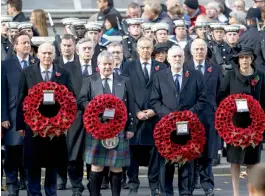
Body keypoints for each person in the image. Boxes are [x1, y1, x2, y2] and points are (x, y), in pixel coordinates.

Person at [16, 42, 75, 196]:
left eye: (50, 53)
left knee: (53, 163)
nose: (47, 56)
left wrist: (65, 121)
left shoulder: (64, 73)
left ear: (54, 55)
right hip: (33, 126)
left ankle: (51, 191)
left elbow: (71, 98)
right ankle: (34, 192)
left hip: (55, 127)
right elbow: (21, 99)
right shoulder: (27, 72)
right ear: (38, 55)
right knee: (33, 162)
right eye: (44, 53)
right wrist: (20, 125)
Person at [150, 45, 206, 196]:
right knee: (166, 162)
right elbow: (154, 101)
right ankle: (166, 192)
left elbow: (202, 100)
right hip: (166, 126)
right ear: (168, 59)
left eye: (180, 56)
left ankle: (185, 192)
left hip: (188, 126)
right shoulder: (159, 76)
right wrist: (170, 117)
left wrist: (187, 116)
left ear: (184, 58)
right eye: (174, 56)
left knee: (186, 160)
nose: (177, 59)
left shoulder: (195, 75)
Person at [78, 50, 136, 196]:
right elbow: (81, 101)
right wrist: (94, 107)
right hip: (97, 129)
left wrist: (131, 127)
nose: (107, 67)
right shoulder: (90, 80)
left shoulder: (125, 81)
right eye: (104, 64)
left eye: (110, 64)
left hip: (119, 129)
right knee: (96, 166)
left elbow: (131, 106)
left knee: (116, 166)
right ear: (98, 65)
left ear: (114, 64)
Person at [122, 37, 168, 196]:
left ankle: (154, 185)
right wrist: (136, 112)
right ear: (137, 49)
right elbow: (126, 91)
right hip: (135, 116)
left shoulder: (161, 67)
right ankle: (133, 183)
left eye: (148, 47)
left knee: (155, 152)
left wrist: (154, 110)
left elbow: (165, 92)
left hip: (154, 117)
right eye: (142, 47)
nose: (145, 50)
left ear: (152, 48)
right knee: (132, 151)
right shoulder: (128, 66)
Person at [217, 47, 265, 196]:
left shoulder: (260, 76)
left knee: (252, 163)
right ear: (238, 60)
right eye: (242, 57)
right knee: (235, 161)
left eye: (247, 57)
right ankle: (236, 193)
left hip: (255, 126)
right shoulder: (231, 75)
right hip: (234, 126)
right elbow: (220, 95)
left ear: (252, 59)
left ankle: (252, 193)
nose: (244, 60)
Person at [2, 31, 38, 196]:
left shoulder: (36, 63)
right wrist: (3, 116)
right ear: (15, 46)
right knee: (12, 152)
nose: (27, 45)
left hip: (33, 117)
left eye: (28, 42)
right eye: (23, 42)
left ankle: (29, 185)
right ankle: (12, 186)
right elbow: (2, 92)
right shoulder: (5, 65)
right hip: (12, 115)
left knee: (29, 152)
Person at [185, 39, 222, 196]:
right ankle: (190, 184)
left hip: (209, 116)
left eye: (202, 49)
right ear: (192, 51)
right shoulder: (185, 67)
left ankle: (207, 184)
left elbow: (220, 92)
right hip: (190, 115)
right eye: (197, 49)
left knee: (207, 153)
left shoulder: (215, 69)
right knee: (190, 151)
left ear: (206, 51)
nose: (200, 51)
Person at [65, 37, 98, 196]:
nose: (87, 51)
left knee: (94, 151)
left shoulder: (98, 67)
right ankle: (76, 185)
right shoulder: (67, 68)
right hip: (75, 117)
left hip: (96, 118)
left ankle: (94, 184)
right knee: (75, 153)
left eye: (89, 48)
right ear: (77, 50)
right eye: (84, 48)